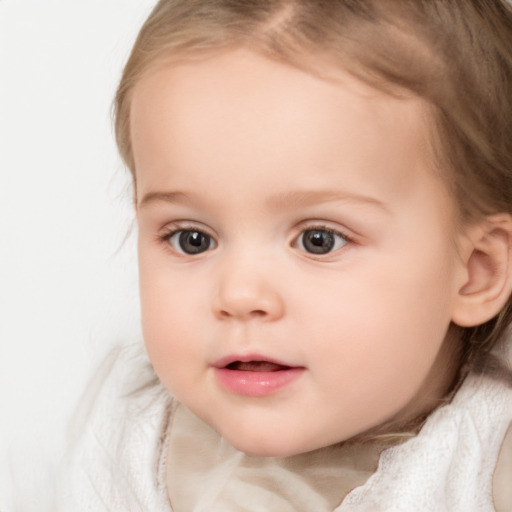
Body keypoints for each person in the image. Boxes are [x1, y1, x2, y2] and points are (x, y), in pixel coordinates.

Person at [56, 1, 512, 510]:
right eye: (192, 238)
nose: (239, 294)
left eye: (320, 239)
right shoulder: (128, 441)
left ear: (476, 272)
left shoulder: (485, 464)